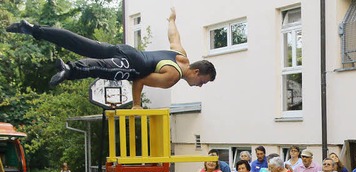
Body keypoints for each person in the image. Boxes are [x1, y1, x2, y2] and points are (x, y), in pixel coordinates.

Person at [6, 8, 216, 109]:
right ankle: (69, 70)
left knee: (80, 43)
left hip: (127, 50)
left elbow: (173, 35)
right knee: (103, 69)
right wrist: (136, 105)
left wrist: (171, 19)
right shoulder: (172, 76)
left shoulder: (182, 55)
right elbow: (140, 79)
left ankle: (35, 30)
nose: (199, 86)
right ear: (197, 72)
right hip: (132, 64)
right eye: (202, 82)